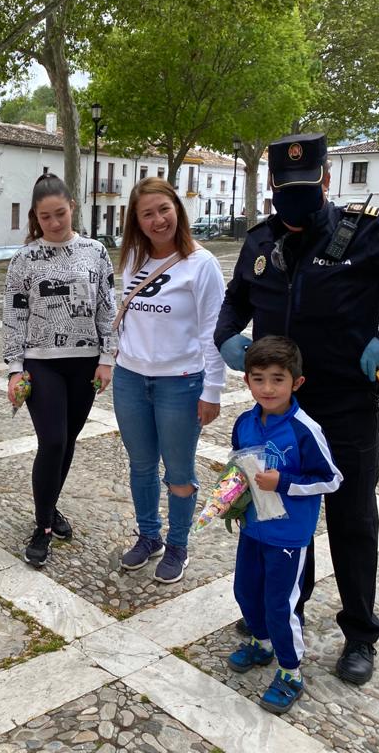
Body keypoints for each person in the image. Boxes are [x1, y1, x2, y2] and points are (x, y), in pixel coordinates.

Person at [215, 133, 379, 685]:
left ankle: (359, 633)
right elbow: (237, 297)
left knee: (351, 518)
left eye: (305, 185)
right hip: (281, 410)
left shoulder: (365, 231)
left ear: (325, 180)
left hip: (345, 403)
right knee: (283, 511)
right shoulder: (260, 240)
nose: (294, 195)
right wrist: (226, 334)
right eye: (285, 186)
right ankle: (288, 610)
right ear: (273, 186)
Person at [114, 177, 226, 583]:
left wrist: (213, 390)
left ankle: (178, 544)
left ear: (177, 209)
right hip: (130, 379)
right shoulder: (132, 259)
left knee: (179, 471)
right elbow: (123, 318)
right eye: (147, 214)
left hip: (180, 383)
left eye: (164, 209)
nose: (158, 220)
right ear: (136, 221)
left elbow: (213, 331)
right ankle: (149, 536)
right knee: (141, 465)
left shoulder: (201, 264)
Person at [3, 173, 116, 568]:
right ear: (35, 217)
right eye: (45, 216)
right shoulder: (24, 259)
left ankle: (49, 506)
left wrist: (107, 358)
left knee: (67, 442)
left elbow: (107, 307)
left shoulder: (95, 252)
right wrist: (14, 368)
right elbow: (14, 314)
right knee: (51, 441)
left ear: (72, 207)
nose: (54, 222)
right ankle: (43, 526)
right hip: (41, 361)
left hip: (85, 362)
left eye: (60, 214)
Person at [227, 336, 342, 714]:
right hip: (252, 527)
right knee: (246, 591)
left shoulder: (305, 429)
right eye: (258, 379)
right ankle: (261, 644)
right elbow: (239, 463)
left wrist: (285, 482)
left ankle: (290, 672)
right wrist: (231, 493)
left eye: (278, 379)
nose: (268, 388)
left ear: (297, 382)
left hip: (288, 536)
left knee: (280, 604)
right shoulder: (245, 422)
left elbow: (332, 479)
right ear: (247, 381)